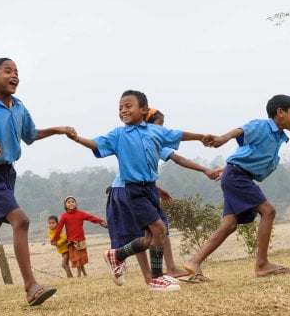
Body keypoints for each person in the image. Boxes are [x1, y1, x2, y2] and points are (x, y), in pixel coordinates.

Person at [0, 58, 73, 310]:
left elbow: (31, 135)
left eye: (17, 72)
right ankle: (30, 286)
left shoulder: (19, 107)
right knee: (21, 221)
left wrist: (58, 129)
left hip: (8, 174)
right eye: (8, 71)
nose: (14, 75)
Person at [67, 90, 211, 291]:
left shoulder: (155, 132)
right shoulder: (118, 135)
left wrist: (201, 137)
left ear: (143, 110)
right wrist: (77, 138)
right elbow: (97, 143)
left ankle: (116, 255)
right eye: (120, 107)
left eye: (128, 106)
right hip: (133, 191)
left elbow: (178, 135)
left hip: (151, 189)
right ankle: (156, 278)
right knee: (159, 229)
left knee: (149, 239)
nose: (123, 110)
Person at [183, 95, 290, 279]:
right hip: (238, 177)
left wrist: (227, 167)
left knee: (229, 225)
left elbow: (249, 154)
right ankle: (262, 265)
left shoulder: (278, 136)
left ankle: (194, 262)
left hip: (236, 174)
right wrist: (222, 138)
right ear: (280, 112)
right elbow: (241, 130)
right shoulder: (262, 125)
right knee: (268, 212)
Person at [145, 108, 223, 281]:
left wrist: (157, 189)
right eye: (160, 124)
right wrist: (205, 169)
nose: (163, 128)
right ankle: (148, 272)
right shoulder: (148, 137)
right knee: (153, 232)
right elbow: (177, 157)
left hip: (145, 187)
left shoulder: (152, 141)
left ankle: (164, 270)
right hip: (135, 189)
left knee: (156, 230)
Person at [49, 197, 106, 277]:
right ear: (65, 205)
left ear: (75, 204)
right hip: (71, 241)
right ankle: (81, 274)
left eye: (73, 202)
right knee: (76, 258)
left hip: (80, 240)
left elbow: (91, 218)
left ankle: (81, 274)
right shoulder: (64, 216)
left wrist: (100, 221)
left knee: (80, 258)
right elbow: (59, 228)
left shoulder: (81, 214)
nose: (71, 203)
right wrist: (54, 239)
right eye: (68, 202)